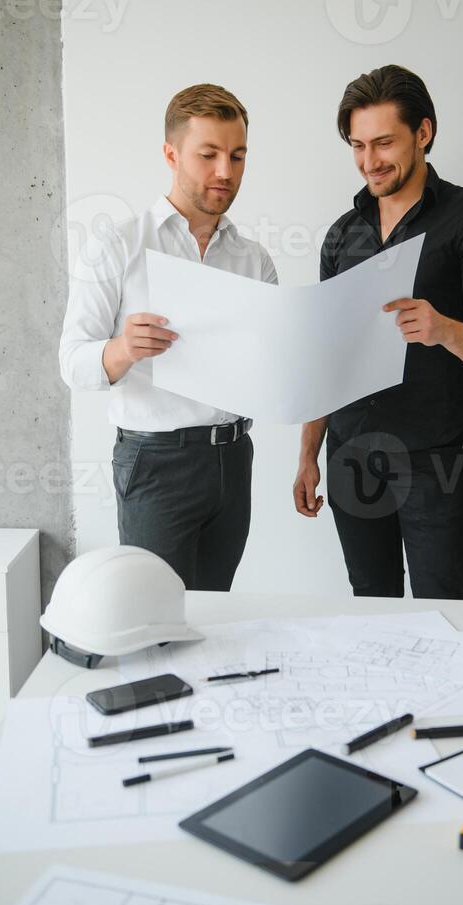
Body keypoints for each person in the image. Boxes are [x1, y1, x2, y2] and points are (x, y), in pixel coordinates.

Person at [293, 65, 463, 599]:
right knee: (370, 603)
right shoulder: (341, 235)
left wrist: (442, 328)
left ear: (423, 133)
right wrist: (308, 452)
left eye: (384, 143)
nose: (369, 161)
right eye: (357, 145)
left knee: (444, 609)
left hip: (432, 461)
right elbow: (325, 355)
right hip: (350, 454)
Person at [60, 84, 277, 590]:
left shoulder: (254, 259)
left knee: (214, 612)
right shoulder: (116, 245)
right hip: (155, 464)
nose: (226, 171)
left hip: (233, 457)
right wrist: (122, 348)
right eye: (209, 155)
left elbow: (269, 366)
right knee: (155, 618)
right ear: (170, 154)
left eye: (238, 155)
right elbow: (72, 362)